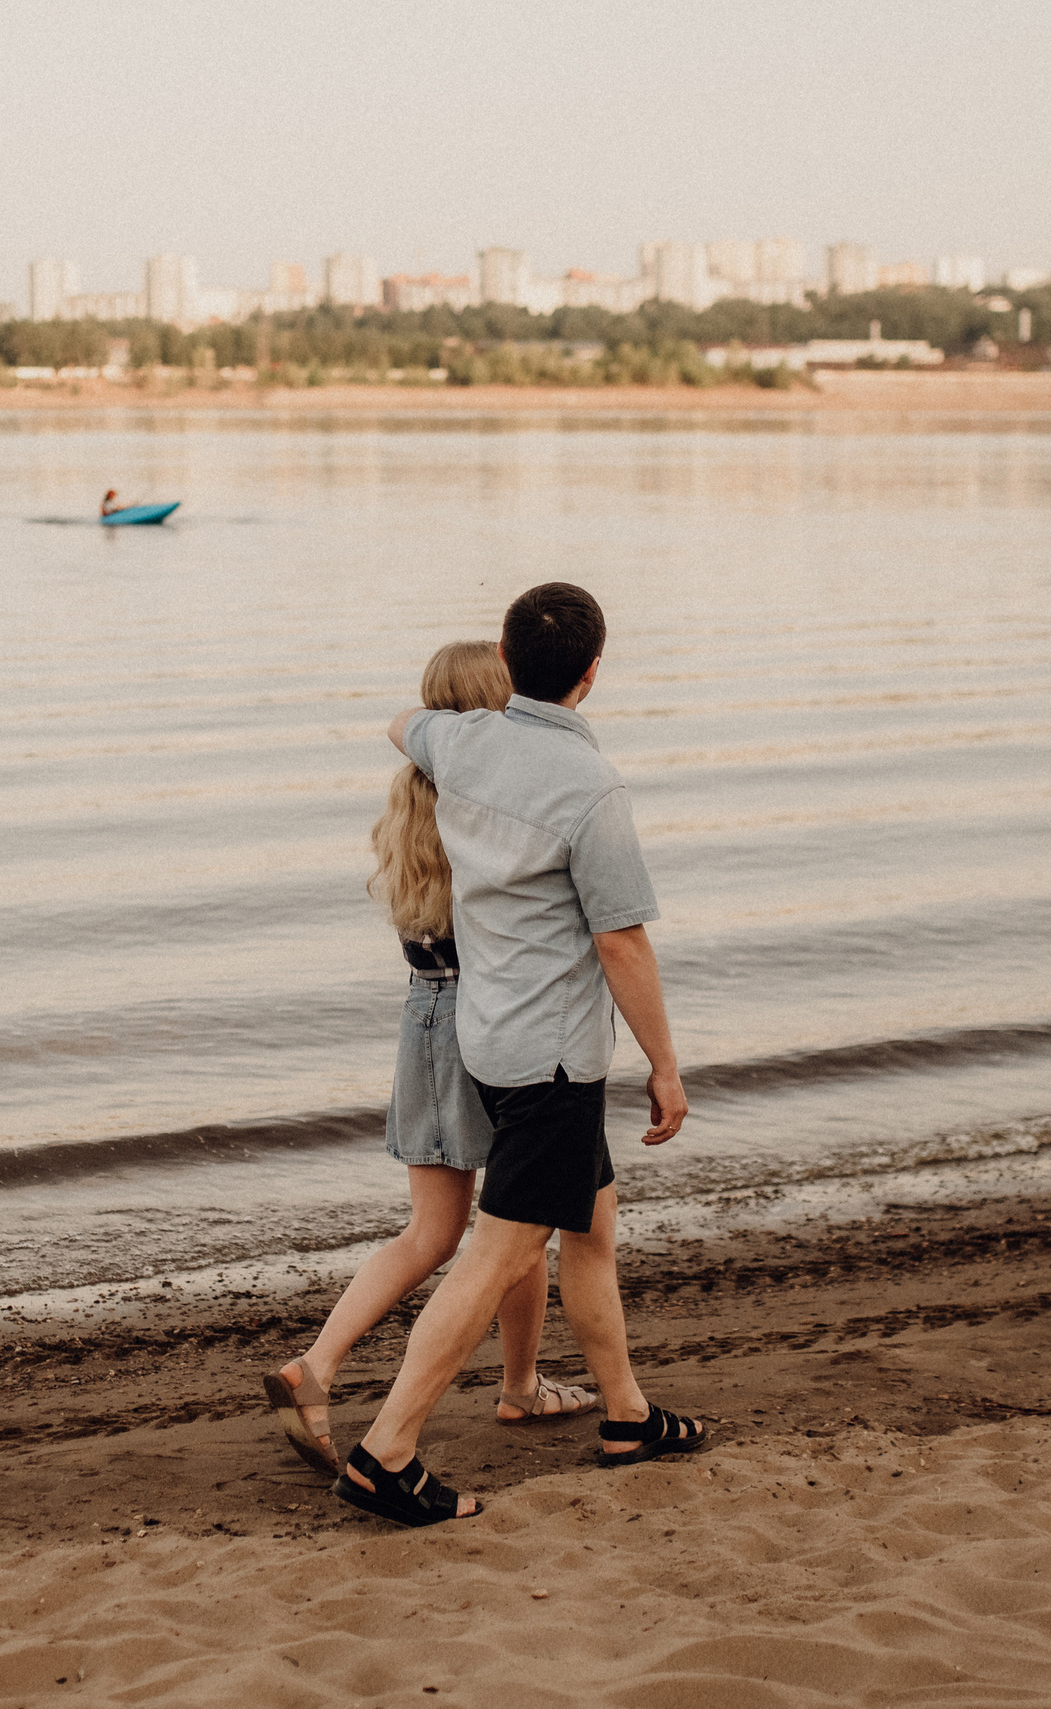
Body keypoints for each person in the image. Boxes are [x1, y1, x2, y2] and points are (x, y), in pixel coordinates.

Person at [333, 582, 703, 1529]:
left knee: (592, 1226)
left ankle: (624, 1413)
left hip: (490, 1040)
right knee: (500, 1252)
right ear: (591, 675)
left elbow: (401, 721)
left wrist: (436, 723)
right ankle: (387, 1450)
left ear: (504, 655)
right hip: (552, 1062)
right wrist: (665, 1064)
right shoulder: (592, 788)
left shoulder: (460, 743)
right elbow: (622, 943)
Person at [261, 641, 598, 1476]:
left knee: (454, 1227)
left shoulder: (412, 795)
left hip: (421, 1012)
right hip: (481, 1021)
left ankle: (341, 1364)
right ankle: (486, 1382)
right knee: (498, 1225)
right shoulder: (483, 802)